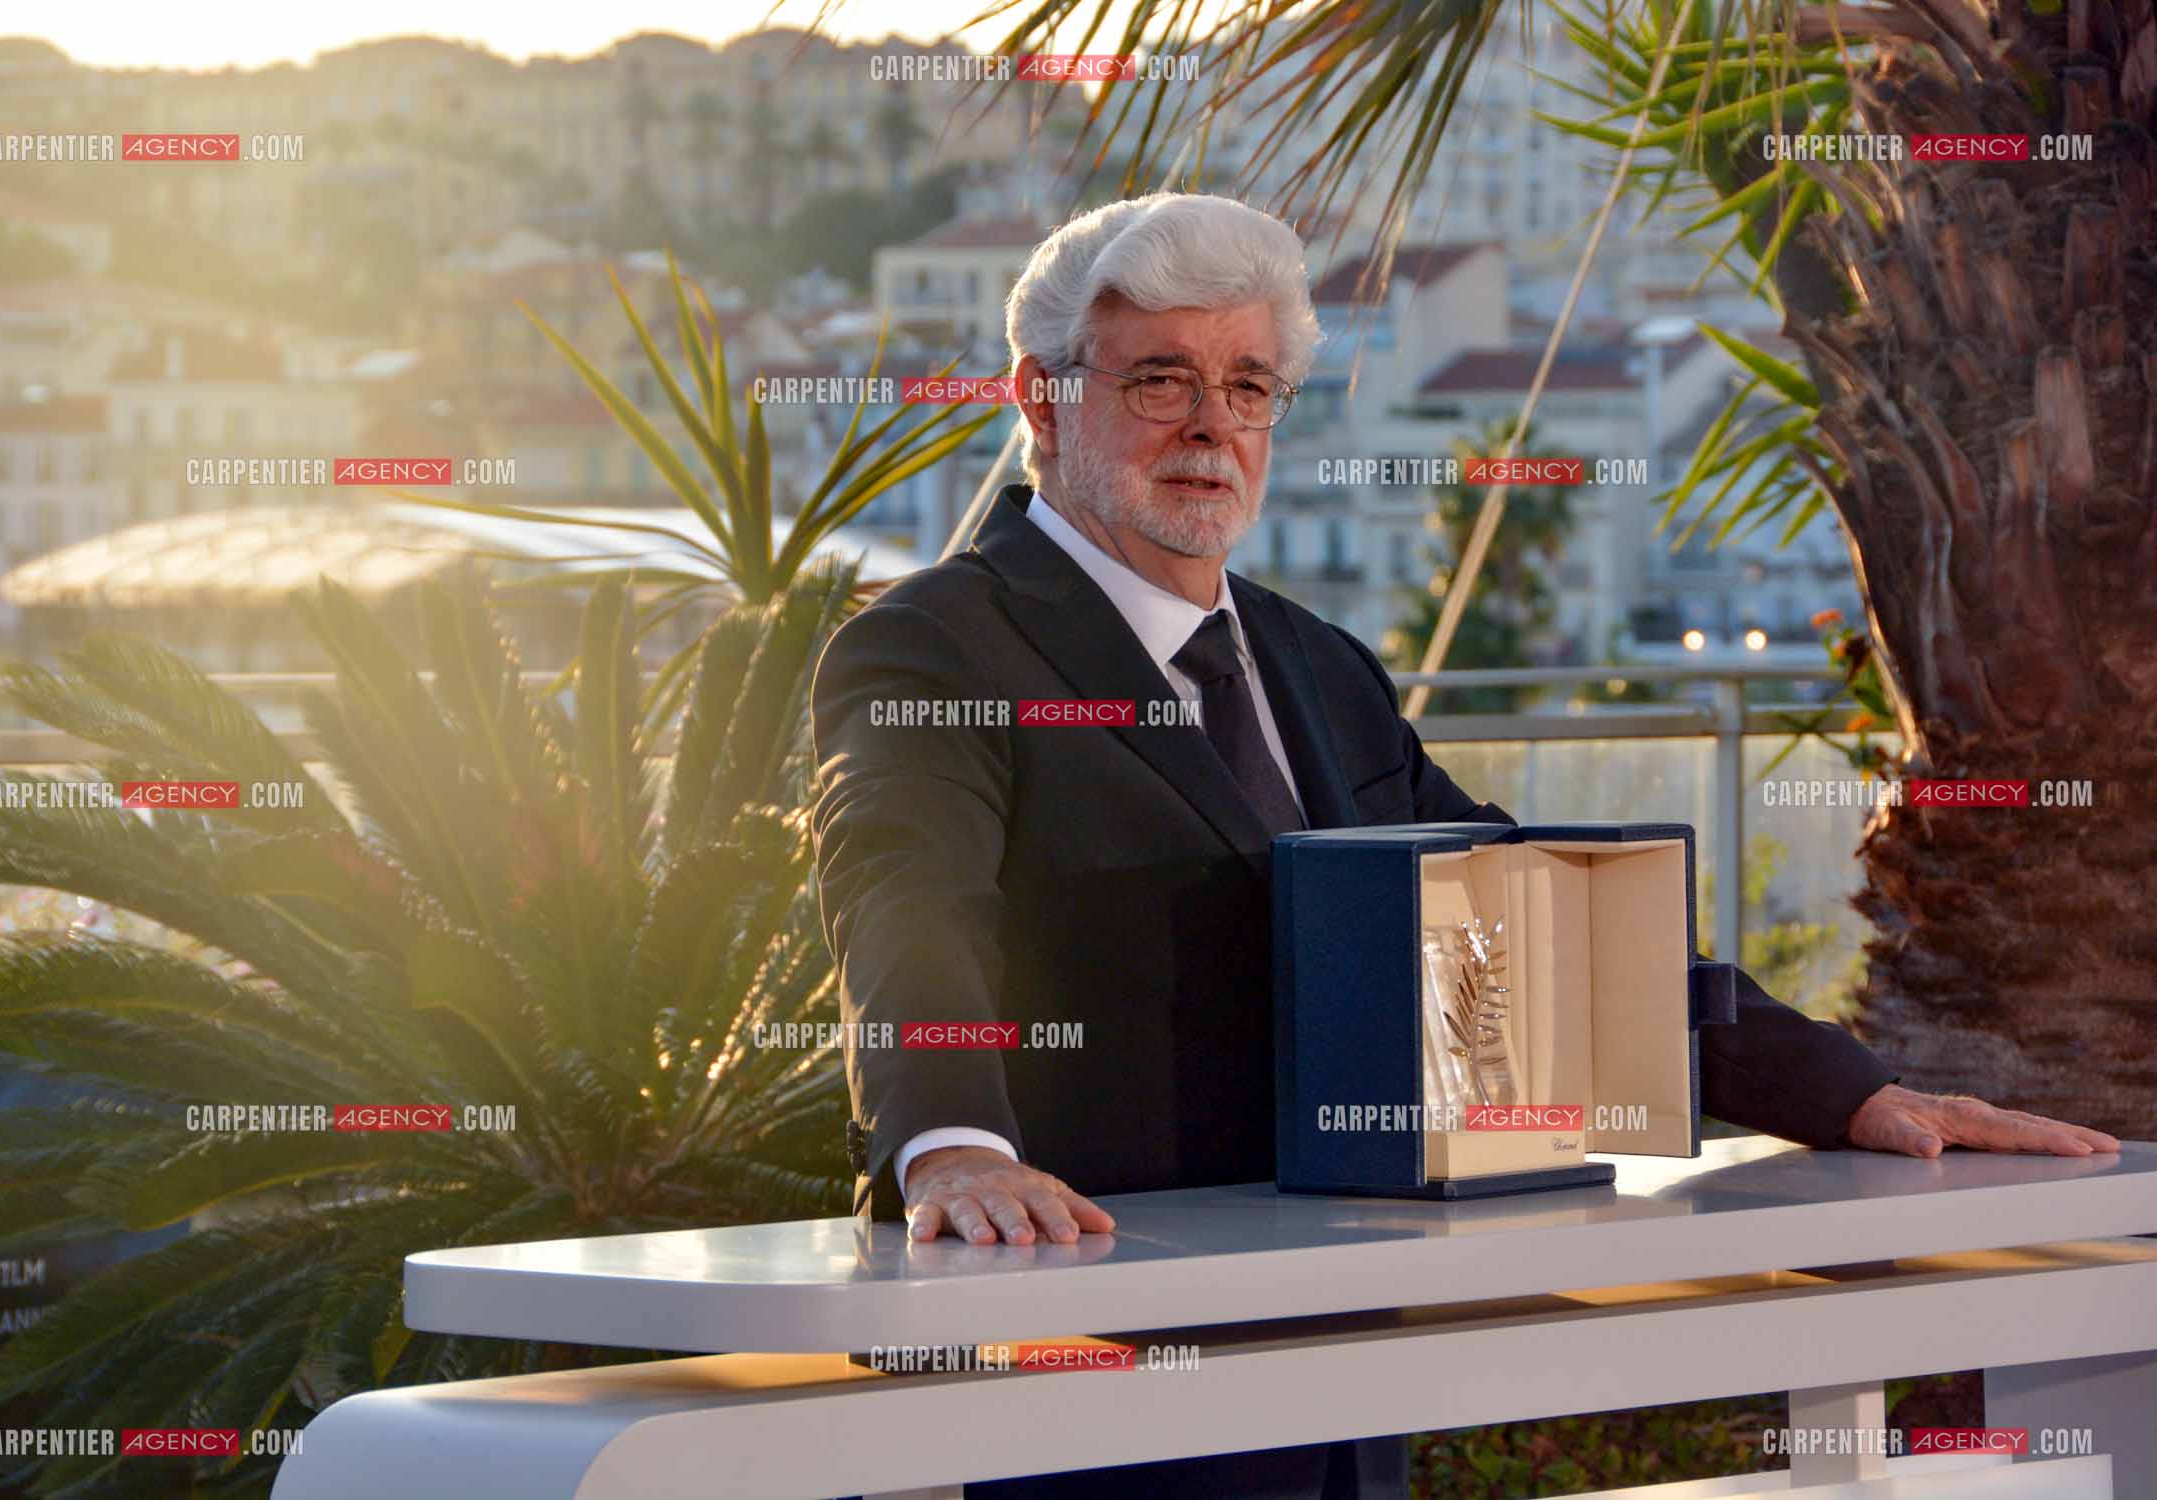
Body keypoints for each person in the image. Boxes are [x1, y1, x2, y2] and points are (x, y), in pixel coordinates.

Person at [807, 193, 2119, 1499]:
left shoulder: (1320, 670)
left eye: (1250, 385)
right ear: (1039, 398)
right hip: (1084, 1383)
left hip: (1347, 1374)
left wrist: (1848, 1092)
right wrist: (953, 1147)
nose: (1212, 424)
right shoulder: (932, 647)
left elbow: (1535, 923)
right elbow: (904, 903)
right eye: (1160, 379)